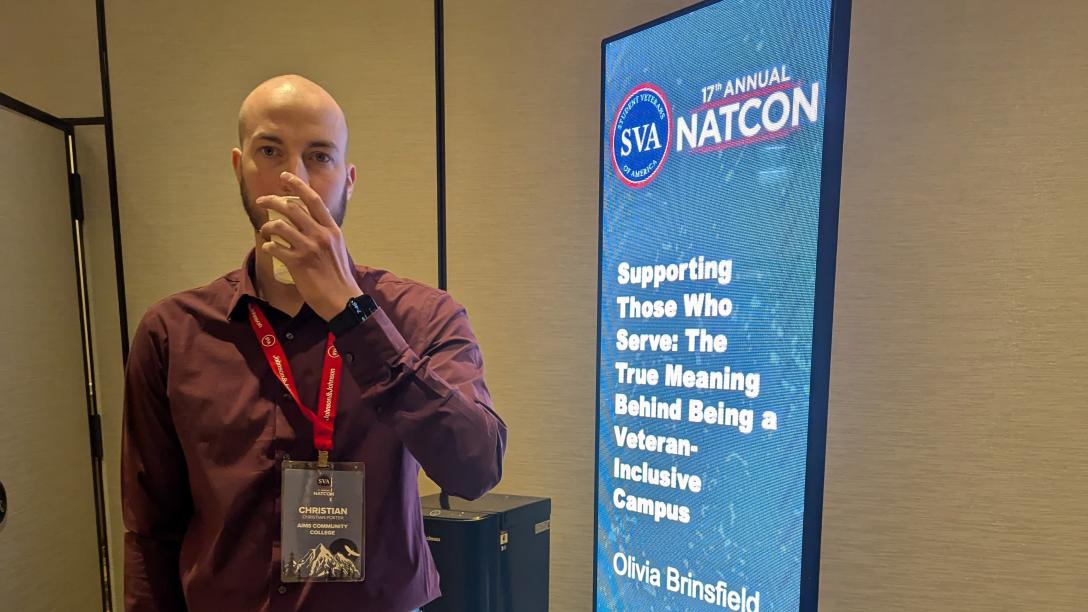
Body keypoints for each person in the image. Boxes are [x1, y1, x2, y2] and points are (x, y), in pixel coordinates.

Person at [121, 74, 507, 612]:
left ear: (349, 180)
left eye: (319, 156)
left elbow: (476, 467)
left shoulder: (423, 316)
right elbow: (151, 531)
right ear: (239, 168)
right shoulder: (172, 332)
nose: (291, 178)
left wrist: (354, 316)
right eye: (270, 150)